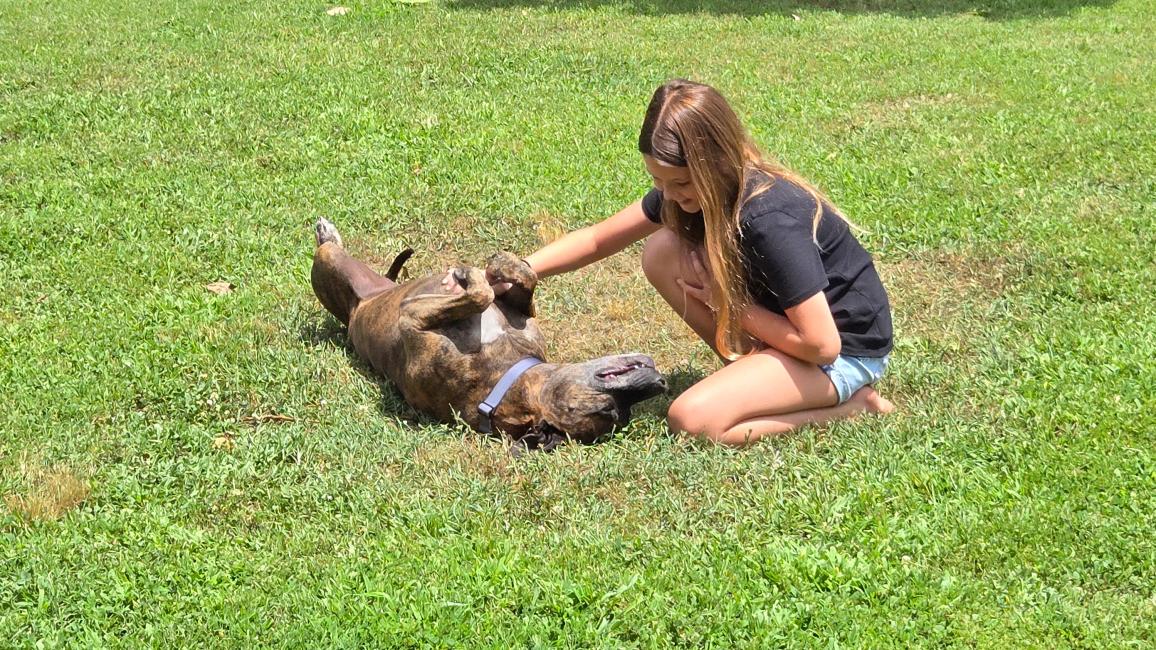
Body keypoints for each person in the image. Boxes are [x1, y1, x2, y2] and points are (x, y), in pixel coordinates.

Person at [510, 79, 895, 446]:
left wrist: (733, 308)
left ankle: (853, 406)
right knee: (662, 250)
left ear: (717, 163)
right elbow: (596, 240)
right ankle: (750, 375)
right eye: (658, 181)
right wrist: (516, 271)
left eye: (679, 182)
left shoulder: (769, 218)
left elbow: (822, 345)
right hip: (788, 336)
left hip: (844, 354)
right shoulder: (688, 193)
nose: (668, 195)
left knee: (693, 420)